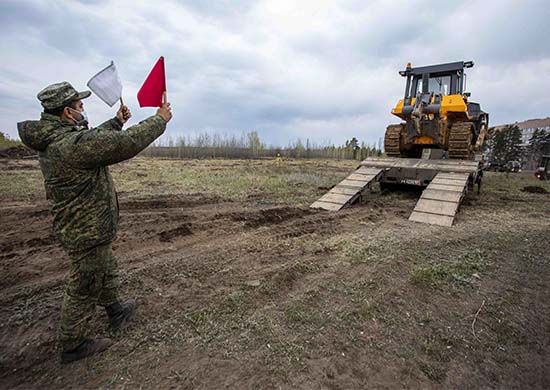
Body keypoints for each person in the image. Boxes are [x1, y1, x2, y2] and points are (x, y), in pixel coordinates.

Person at [17, 81, 172, 363]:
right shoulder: (68, 145)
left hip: (90, 225)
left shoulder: (61, 139)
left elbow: (93, 140)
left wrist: (115, 121)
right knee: (84, 283)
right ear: (66, 112)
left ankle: (115, 309)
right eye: (80, 106)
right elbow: (122, 145)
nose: (83, 109)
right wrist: (159, 120)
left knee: (105, 267)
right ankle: (73, 344)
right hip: (84, 228)